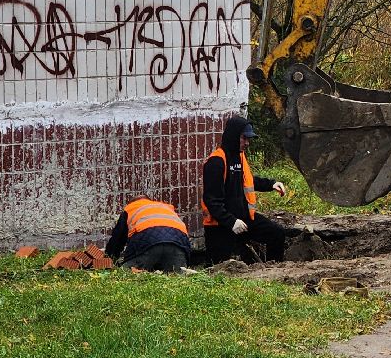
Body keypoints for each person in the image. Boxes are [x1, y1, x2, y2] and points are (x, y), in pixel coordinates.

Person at [201, 115, 291, 264]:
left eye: (249, 139)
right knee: (217, 267)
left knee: (276, 234)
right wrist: (231, 222)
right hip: (221, 226)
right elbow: (211, 201)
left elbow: (248, 180)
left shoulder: (240, 157)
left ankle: (275, 272)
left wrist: (270, 184)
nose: (247, 143)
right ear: (234, 136)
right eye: (244, 138)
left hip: (244, 219)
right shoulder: (216, 161)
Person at [106, 195, 192, 272]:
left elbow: (117, 239)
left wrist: (109, 258)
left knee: (126, 272)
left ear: (131, 203)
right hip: (177, 246)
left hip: (147, 246)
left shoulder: (130, 208)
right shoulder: (165, 207)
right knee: (177, 273)